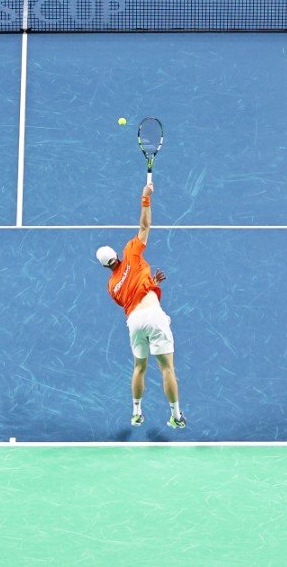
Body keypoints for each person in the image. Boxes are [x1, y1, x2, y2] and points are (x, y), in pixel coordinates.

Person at [96, 180, 184, 429]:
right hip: (154, 316)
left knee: (140, 368)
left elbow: (131, 295)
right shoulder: (131, 252)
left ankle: (136, 413)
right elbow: (145, 225)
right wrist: (145, 197)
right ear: (116, 254)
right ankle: (176, 417)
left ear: (105, 267)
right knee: (167, 369)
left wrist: (150, 282)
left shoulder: (111, 287)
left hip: (134, 322)